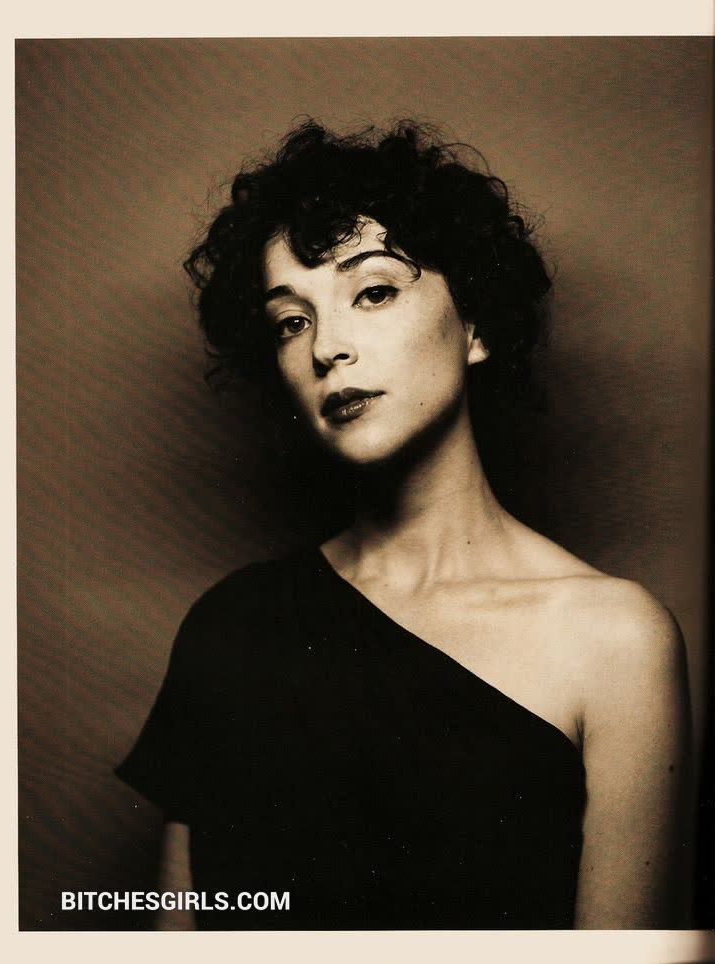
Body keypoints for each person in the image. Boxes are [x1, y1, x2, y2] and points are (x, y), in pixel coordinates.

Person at [115, 120, 693, 930]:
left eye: (374, 292)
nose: (328, 348)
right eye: (291, 321)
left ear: (477, 325)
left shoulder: (615, 641)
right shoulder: (231, 627)